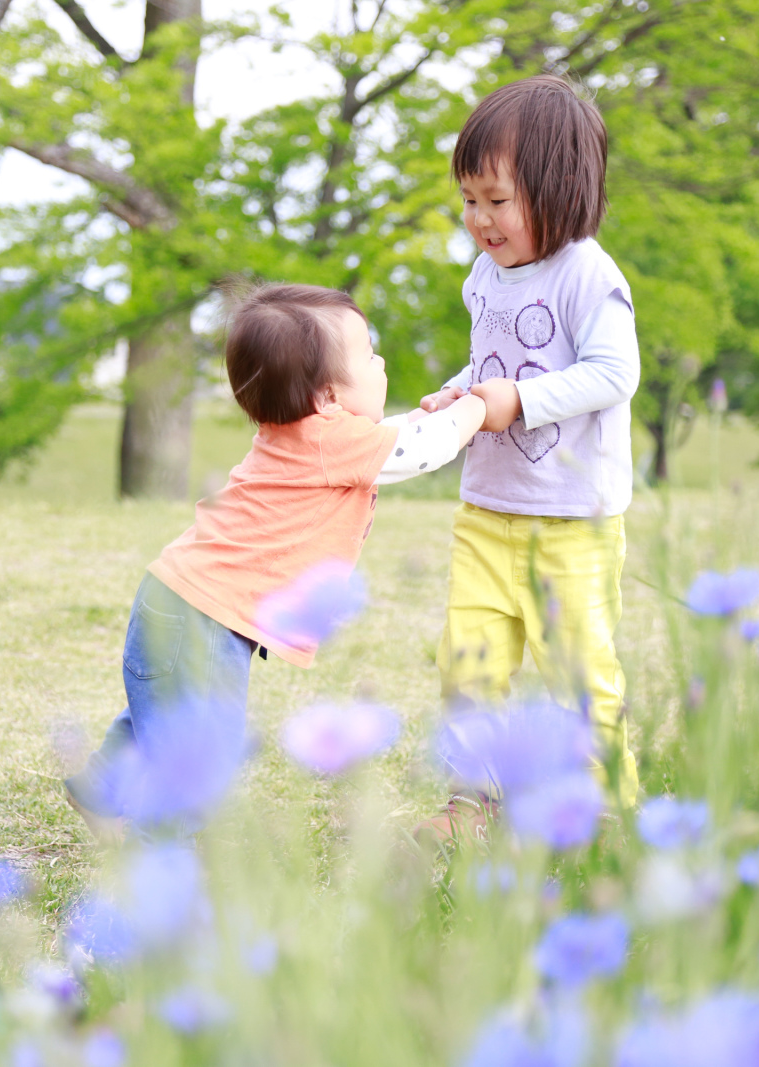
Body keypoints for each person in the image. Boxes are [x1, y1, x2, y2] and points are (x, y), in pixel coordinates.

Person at [64, 283, 491, 842]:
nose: (380, 361)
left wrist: (441, 407)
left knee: (165, 715)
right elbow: (426, 448)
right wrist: (479, 407)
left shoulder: (308, 432)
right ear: (328, 400)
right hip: (202, 618)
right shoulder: (331, 441)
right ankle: (166, 860)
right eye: (368, 354)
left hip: (180, 604)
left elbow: (396, 435)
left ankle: (102, 788)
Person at [419, 74, 642, 838]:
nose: (480, 219)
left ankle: (601, 804)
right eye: (469, 199)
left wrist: (514, 401)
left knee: (578, 670)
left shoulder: (589, 275)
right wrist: (460, 395)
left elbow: (615, 374)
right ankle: (471, 800)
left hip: (571, 519)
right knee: (468, 662)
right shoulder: (485, 274)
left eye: (497, 201)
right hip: (488, 507)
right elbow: (492, 364)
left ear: (560, 190)